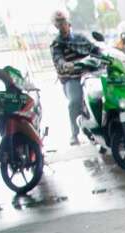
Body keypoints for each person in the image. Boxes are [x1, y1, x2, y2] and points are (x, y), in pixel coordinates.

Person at [50, 10, 100, 145]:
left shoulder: (81, 38)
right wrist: (65, 65)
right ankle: (74, 134)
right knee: (74, 102)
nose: (62, 25)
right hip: (72, 77)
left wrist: (102, 52)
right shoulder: (56, 43)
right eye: (58, 23)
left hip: (89, 74)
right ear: (55, 26)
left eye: (63, 22)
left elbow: (95, 49)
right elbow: (58, 59)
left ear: (69, 23)